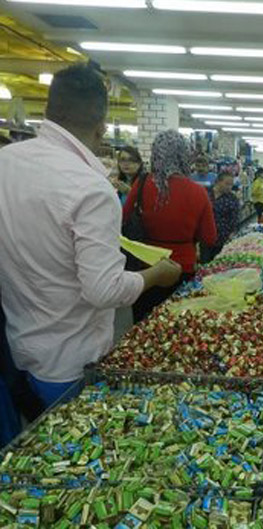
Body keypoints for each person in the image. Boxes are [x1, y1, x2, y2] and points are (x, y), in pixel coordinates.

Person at [0, 64, 182, 407]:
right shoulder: (91, 188)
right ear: (101, 127)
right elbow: (103, 289)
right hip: (70, 359)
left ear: (48, 109)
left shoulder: (5, 161)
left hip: (18, 346)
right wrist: (156, 275)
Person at [124, 129, 218, 322]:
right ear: (185, 155)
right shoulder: (198, 192)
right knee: (177, 326)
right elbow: (210, 237)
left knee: (144, 326)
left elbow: (122, 218)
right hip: (183, 268)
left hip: (147, 268)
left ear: (155, 153)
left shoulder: (141, 183)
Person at [201, 172, 240, 264]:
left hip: (222, 239)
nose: (229, 187)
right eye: (227, 184)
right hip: (204, 237)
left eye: (231, 185)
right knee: (204, 263)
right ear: (218, 181)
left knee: (218, 265)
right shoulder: (204, 193)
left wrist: (232, 235)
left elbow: (234, 219)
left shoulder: (232, 199)